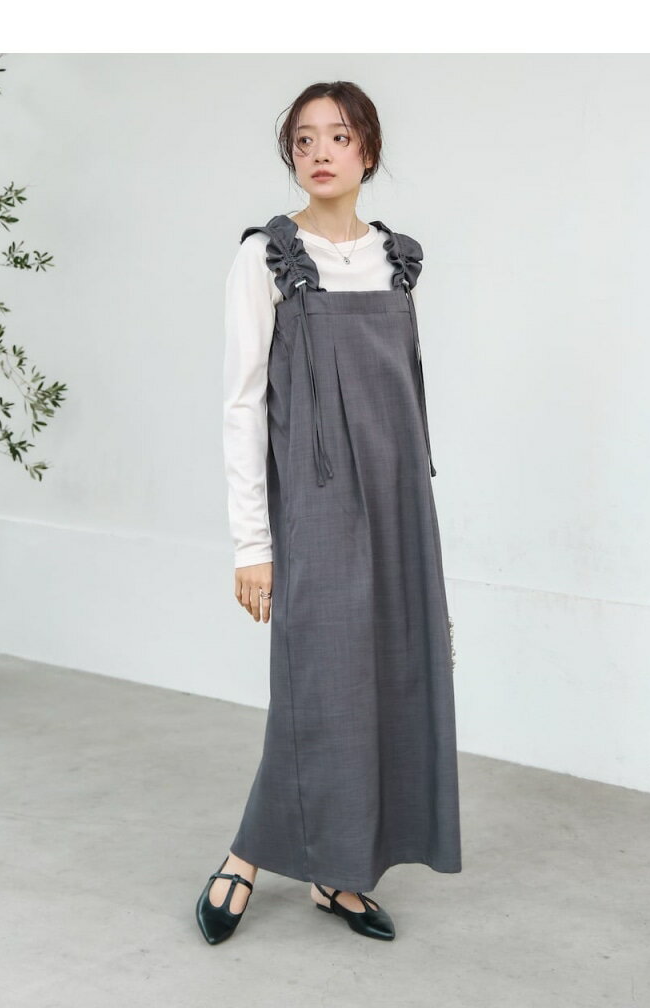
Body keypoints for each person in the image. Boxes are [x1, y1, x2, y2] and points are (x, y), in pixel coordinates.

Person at [196, 80, 462, 946]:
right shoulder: (266, 258)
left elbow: (405, 392)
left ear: (367, 152)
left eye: (338, 136)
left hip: (398, 498)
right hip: (315, 503)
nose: (320, 152)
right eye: (304, 138)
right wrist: (253, 542)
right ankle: (246, 854)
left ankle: (336, 871)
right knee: (318, 681)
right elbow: (242, 403)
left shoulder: (396, 259)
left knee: (389, 676)